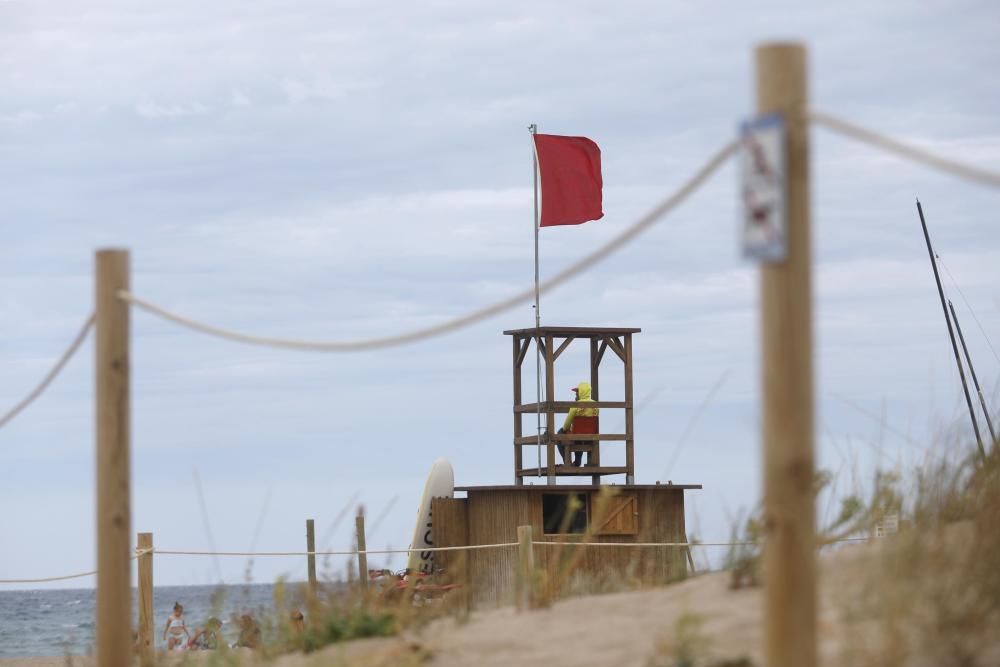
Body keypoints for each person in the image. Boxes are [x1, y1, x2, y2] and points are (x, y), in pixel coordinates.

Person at [557, 381, 599, 466]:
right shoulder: (596, 405)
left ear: (581, 392)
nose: (576, 395)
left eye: (577, 393)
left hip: (577, 436)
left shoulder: (575, 405)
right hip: (591, 436)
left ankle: (567, 462)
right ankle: (577, 461)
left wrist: (566, 429)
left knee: (560, 433)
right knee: (579, 436)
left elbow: (566, 426)